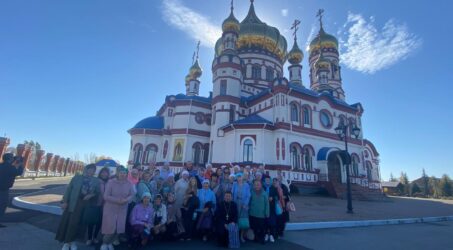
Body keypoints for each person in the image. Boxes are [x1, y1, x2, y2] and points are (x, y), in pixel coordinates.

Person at [56, 164, 99, 250]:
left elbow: (97, 192)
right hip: (74, 203)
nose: (91, 171)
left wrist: (91, 195)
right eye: (90, 169)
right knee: (71, 223)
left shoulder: (95, 180)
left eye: (93, 170)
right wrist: (64, 201)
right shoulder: (77, 178)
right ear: (86, 169)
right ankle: (67, 243)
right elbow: (69, 190)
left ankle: (73, 242)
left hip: (86, 205)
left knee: (80, 225)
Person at [101, 166, 135, 250]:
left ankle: (110, 243)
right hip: (110, 208)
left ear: (127, 174)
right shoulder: (111, 182)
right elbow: (106, 196)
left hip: (122, 209)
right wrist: (117, 200)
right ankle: (104, 243)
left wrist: (126, 199)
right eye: (121, 173)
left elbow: (132, 194)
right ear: (117, 173)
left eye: (124, 173)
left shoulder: (129, 183)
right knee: (109, 227)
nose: (123, 174)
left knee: (118, 228)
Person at [83, 167, 110, 246]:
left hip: (105, 206)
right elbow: (90, 190)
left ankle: (94, 237)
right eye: (103, 172)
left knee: (99, 222)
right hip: (95, 204)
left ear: (108, 174)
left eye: (106, 173)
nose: (104, 174)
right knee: (91, 222)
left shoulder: (109, 182)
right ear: (100, 173)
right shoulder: (96, 181)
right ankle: (89, 238)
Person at [0, 153, 24, 227]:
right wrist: (20, 164)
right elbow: (19, 173)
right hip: (3, 190)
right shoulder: (10, 167)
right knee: (2, 206)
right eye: (12, 158)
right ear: (10, 159)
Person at [232, 173, 251, 243]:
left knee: (243, 220)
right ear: (236, 178)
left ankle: (241, 236)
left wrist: (245, 204)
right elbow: (232, 193)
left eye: (240, 177)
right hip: (236, 203)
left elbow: (248, 195)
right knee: (236, 219)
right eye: (238, 177)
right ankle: (235, 235)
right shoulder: (234, 184)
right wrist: (233, 203)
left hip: (244, 205)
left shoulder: (246, 185)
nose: (239, 179)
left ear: (243, 178)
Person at [249, 180, 269, 245]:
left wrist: (267, 213)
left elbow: (267, 204)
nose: (257, 186)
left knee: (262, 228)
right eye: (255, 184)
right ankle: (256, 238)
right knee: (254, 227)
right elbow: (249, 202)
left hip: (261, 214)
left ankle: (262, 239)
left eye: (258, 184)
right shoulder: (251, 192)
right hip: (253, 213)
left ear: (261, 185)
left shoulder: (264, 193)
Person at [265, 178, 284, 243]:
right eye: (266, 180)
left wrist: (272, 198)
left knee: (272, 222)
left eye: (268, 180)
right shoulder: (263, 188)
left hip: (272, 208)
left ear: (270, 181)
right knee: (266, 222)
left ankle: (272, 235)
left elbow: (278, 197)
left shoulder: (273, 188)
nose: (267, 181)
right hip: (264, 208)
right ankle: (267, 234)